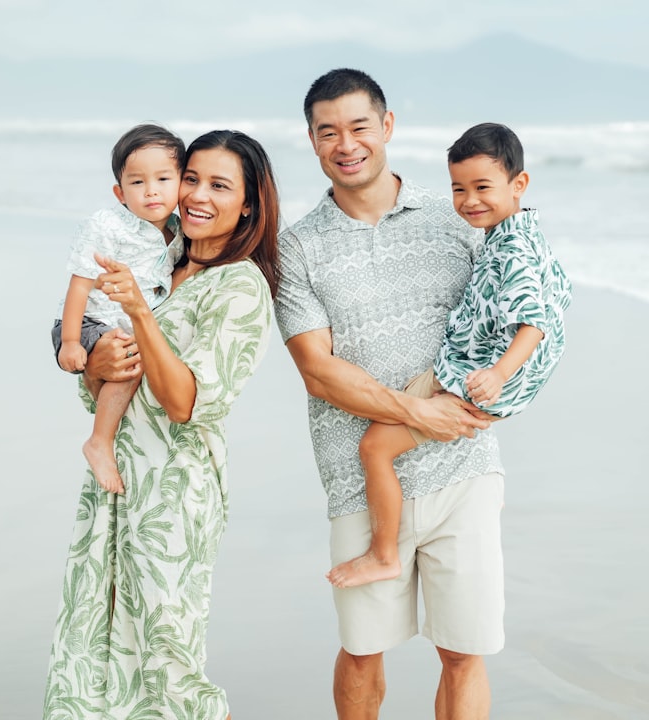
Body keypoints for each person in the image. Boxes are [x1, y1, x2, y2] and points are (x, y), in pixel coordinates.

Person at [274, 68, 507, 719]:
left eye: (358, 127)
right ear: (314, 142)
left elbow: (508, 313)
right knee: (363, 648)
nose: (346, 144)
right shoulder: (297, 249)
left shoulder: (455, 218)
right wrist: (416, 411)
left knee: (464, 652)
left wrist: (485, 400)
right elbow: (318, 371)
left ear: (387, 128)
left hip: (463, 467)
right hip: (357, 476)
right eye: (328, 133)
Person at [44, 129, 281, 720]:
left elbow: (185, 402)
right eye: (191, 179)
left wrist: (141, 314)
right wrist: (90, 363)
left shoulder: (241, 286)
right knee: (97, 637)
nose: (197, 196)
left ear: (248, 202)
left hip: (174, 492)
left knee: (169, 657)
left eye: (219, 186)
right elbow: (101, 374)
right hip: (115, 478)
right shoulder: (159, 255)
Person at [327, 122, 573, 590]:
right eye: (458, 189)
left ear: (518, 184)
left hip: (476, 378)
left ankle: (383, 555)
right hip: (483, 373)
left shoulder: (512, 249)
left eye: (483, 187)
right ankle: (477, 495)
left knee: (374, 448)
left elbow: (533, 323)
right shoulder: (511, 233)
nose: (469, 200)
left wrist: (499, 375)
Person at [51, 123, 186, 495]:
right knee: (129, 366)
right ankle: (99, 441)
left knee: (136, 360)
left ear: (181, 182)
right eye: (138, 183)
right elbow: (80, 283)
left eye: (163, 179)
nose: (152, 190)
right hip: (90, 320)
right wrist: (71, 341)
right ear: (120, 192)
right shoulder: (108, 225)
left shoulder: (176, 229)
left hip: (124, 324)